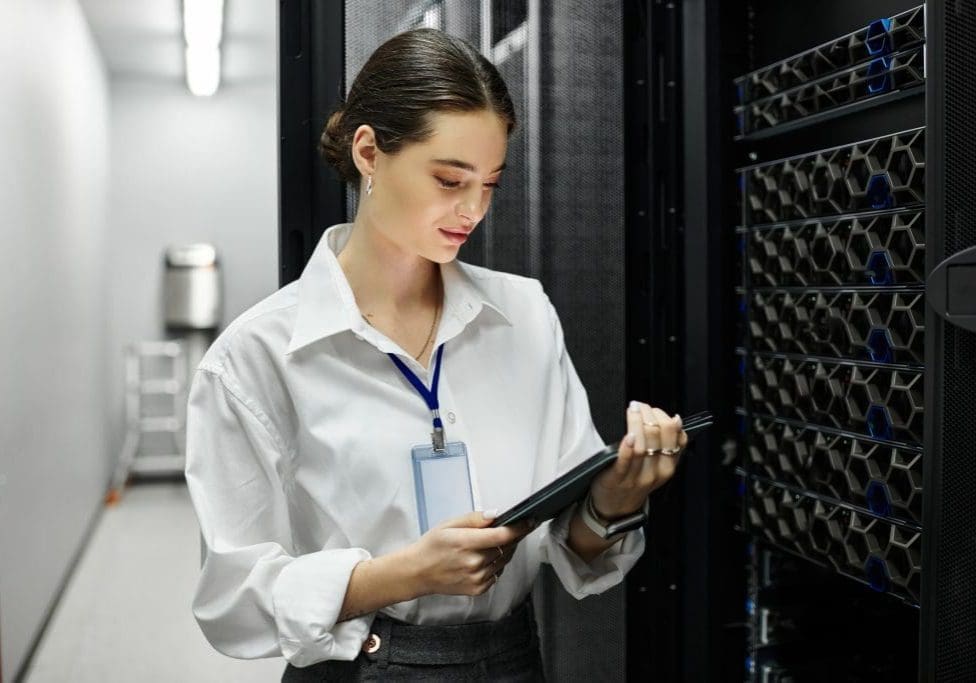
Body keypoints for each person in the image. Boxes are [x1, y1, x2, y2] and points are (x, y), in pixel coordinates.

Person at [184, 27, 687, 682]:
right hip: (362, 663)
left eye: (491, 184)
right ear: (369, 152)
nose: (472, 210)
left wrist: (613, 500)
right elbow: (231, 600)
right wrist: (396, 575)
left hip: (511, 658)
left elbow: (576, 549)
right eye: (450, 179)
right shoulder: (256, 358)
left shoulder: (523, 315)